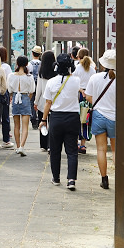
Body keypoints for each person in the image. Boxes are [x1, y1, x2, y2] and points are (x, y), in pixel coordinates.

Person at [40, 53, 81, 190]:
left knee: (55, 150)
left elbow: (47, 103)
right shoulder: (76, 81)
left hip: (56, 118)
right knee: (72, 151)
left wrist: (43, 120)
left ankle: (56, 178)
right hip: (72, 118)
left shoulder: (51, 82)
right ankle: (71, 180)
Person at [85, 49, 118, 189]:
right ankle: (120, 180)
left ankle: (104, 179)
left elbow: (88, 97)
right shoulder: (123, 79)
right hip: (116, 117)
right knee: (117, 150)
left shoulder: (95, 78)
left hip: (99, 115)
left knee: (101, 150)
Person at [7, 55, 35, 156]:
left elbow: (9, 90)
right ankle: (22, 147)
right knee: (25, 126)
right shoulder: (29, 77)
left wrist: (12, 96)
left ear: (17, 64)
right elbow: (31, 91)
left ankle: (18, 146)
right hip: (25, 98)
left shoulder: (11, 75)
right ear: (27, 64)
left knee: (16, 125)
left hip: (15, 98)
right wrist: (28, 99)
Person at [71, 47, 97, 154]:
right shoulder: (92, 68)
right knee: (86, 119)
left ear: (78, 56)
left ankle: (77, 142)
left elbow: (73, 82)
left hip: (80, 95)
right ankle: (83, 144)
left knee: (78, 118)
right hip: (89, 95)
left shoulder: (78, 68)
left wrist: (81, 90)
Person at [34, 50, 56, 153]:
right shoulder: (56, 71)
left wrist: (36, 101)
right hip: (53, 101)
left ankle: (43, 144)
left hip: (43, 100)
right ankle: (50, 145)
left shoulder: (41, 71)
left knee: (42, 122)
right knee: (52, 123)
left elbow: (38, 88)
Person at [0, 46, 15, 148]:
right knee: (5, 117)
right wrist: (10, 94)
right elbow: (9, 81)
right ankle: (6, 140)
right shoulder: (6, 67)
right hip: (3, 93)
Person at [28, 46, 43, 129]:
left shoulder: (29, 64)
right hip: (40, 84)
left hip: (32, 84)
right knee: (40, 101)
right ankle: (40, 118)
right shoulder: (42, 63)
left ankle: (33, 119)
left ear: (32, 53)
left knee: (32, 102)